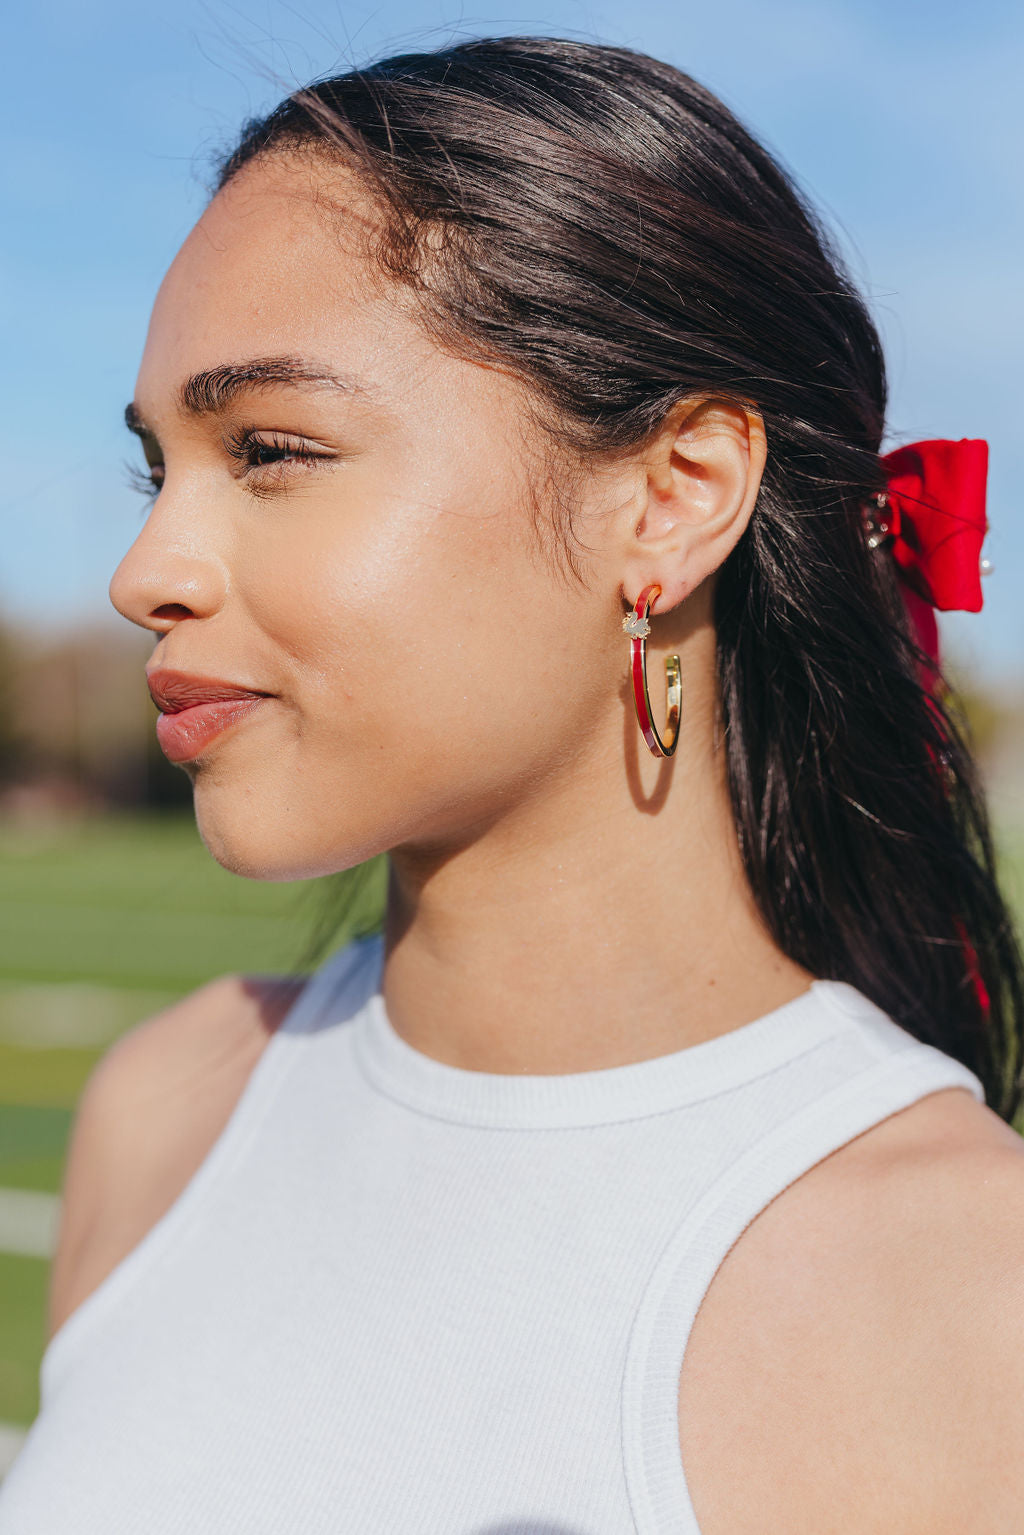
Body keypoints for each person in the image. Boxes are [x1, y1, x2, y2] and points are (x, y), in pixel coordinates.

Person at [2, 35, 1023, 1535]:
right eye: (164, 467)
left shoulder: (961, 1289)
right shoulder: (168, 1109)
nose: (145, 571)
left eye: (273, 448)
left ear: (674, 497)